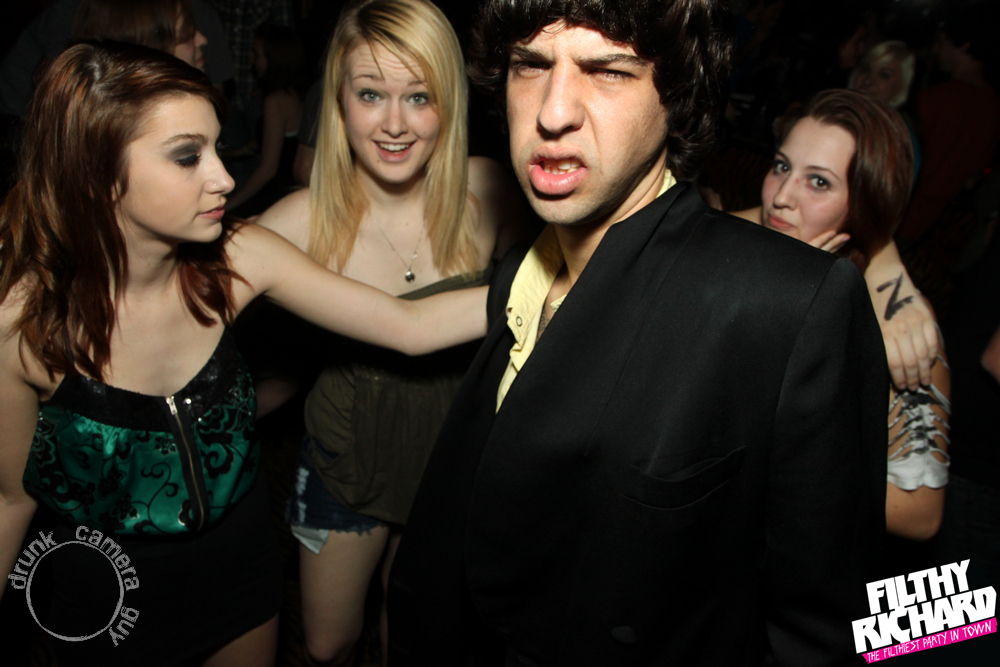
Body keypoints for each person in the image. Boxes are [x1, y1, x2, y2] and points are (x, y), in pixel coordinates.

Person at [386, 0, 887, 664]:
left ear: (677, 97)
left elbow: (834, 627)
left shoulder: (789, 306)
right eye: (531, 65)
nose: (552, 112)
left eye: (608, 72)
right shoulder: (521, 271)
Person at [0, 42, 487, 667]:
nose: (225, 178)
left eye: (216, 147)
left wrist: (554, 290)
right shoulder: (25, 325)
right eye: (187, 156)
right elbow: (11, 499)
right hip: (105, 596)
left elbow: (408, 325)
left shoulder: (235, 261)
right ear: (97, 174)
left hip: (239, 573)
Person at [255, 0, 526, 663]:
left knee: (414, 633)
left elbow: (556, 284)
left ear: (449, 104)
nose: (395, 124)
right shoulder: (296, 221)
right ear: (339, 102)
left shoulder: (487, 190)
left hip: (448, 457)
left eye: (419, 96)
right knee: (328, 645)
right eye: (371, 94)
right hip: (347, 462)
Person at [734, 90, 950, 540]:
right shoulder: (733, 249)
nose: (782, 197)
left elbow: (920, 514)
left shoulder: (892, 321)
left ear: (864, 202)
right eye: (781, 167)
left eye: (819, 182)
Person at [226, 24, 306, 214]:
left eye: (256, 54)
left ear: (275, 58)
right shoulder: (297, 92)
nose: (251, 60)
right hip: (293, 193)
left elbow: (268, 170)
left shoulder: (276, 101)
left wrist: (227, 207)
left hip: (278, 196)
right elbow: (279, 142)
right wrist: (235, 153)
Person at [849, 41, 922, 180]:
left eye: (884, 75)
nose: (868, 80)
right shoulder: (835, 116)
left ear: (902, 86)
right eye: (865, 69)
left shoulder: (897, 140)